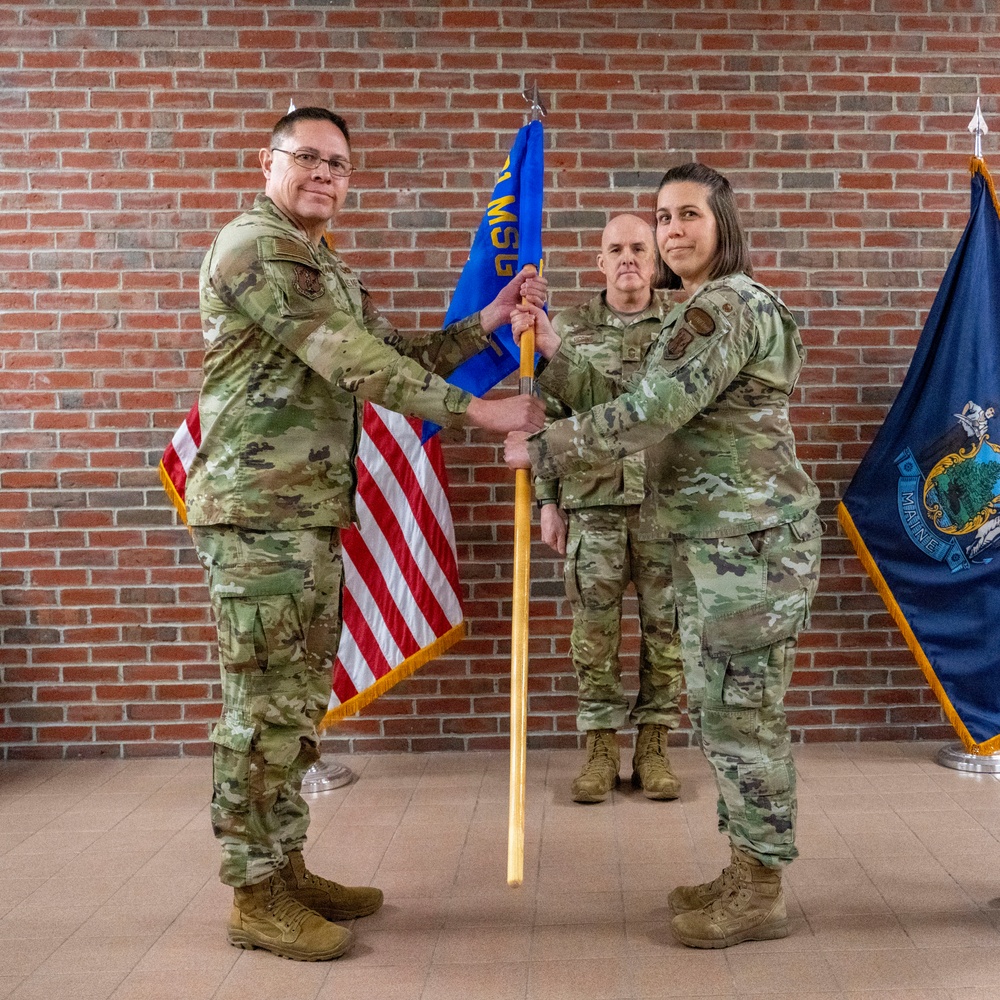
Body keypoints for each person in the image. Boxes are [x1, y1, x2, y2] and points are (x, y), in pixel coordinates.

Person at [185, 106, 546, 962]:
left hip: (305, 514)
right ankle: (252, 891)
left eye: (339, 165)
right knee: (259, 710)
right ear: (267, 162)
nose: (324, 174)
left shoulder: (325, 266)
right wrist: (481, 413)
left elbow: (397, 353)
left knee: (296, 703)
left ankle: (284, 863)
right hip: (258, 516)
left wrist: (488, 322)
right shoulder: (257, 247)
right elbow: (353, 364)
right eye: (307, 157)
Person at [505, 162, 822, 949]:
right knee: (725, 712)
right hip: (727, 544)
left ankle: (761, 888)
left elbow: (653, 409)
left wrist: (548, 443)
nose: (674, 231)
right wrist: (555, 355)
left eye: (689, 216)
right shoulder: (714, 306)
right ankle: (747, 867)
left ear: (724, 225)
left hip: (745, 550)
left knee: (742, 719)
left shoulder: (722, 309)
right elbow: (638, 386)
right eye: (664, 217)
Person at [534, 214, 684, 804]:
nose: (627, 258)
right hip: (591, 504)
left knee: (664, 632)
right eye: (615, 249)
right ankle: (599, 748)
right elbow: (547, 415)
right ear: (599, 262)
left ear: (656, 261)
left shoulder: (682, 324)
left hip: (664, 506)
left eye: (638, 248)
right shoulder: (564, 328)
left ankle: (653, 746)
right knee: (593, 634)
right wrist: (547, 501)